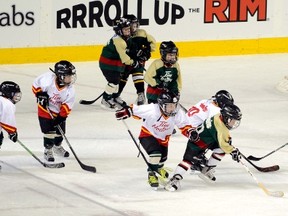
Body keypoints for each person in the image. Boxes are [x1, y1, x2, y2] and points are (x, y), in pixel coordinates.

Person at [115, 92, 194, 190]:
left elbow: (184, 125)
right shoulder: (152, 109)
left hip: (164, 138)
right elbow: (134, 110)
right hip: (147, 135)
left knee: (162, 159)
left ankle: (158, 168)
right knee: (155, 154)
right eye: (169, 106)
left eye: (174, 105)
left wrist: (190, 133)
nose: (172, 108)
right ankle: (151, 174)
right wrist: (125, 112)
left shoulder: (177, 113)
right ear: (161, 105)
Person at [165, 103, 242, 192]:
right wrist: (233, 151)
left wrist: (229, 146)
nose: (233, 123)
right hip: (196, 144)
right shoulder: (221, 127)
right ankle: (175, 180)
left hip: (208, 140)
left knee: (220, 150)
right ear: (225, 117)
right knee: (187, 161)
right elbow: (224, 144)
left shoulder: (218, 117)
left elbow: (222, 138)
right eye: (232, 120)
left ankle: (207, 169)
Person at [32, 60, 76, 162]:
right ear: (60, 76)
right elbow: (35, 85)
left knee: (60, 132)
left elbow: (67, 104)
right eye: (68, 75)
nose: (71, 78)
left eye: (71, 75)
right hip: (45, 110)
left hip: (58, 112)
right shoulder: (47, 79)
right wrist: (39, 94)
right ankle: (48, 150)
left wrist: (61, 117)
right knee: (49, 132)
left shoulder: (70, 89)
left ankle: (57, 147)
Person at [99, 17, 144, 110]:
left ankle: (114, 96)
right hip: (108, 64)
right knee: (114, 81)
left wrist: (138, 53)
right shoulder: (119, 41)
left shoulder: (125, 38)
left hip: (115, 63)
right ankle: (105, 99)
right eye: (125, 29)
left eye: (128, 29)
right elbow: (125, 59)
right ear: (119, 31)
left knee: (118, 80)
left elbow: (131, 48)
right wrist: (134, 63)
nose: (128, 31)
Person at [186, 90, 234, 175]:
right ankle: (197, 160)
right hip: (194, 131)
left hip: (187, 126)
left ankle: (198, 156)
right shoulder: (216, 111)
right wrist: (227, 142)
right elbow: (217, 127)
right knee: (219, 144)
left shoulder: (205, 101)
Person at [115, 14, 156, 105]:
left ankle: (141, 94)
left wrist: (146, 52)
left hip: (138, 61)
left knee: (138, 75)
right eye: (132, 25)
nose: (135, 27)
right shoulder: (122, 35)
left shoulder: (142, 33)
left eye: (136, 25)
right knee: (123, 77)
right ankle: (117, 94)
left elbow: (152, 45)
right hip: (126, 62)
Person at [0, 81, 22, 169]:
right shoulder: (7, 104)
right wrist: (12, 132)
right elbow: (7, 121)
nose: (17, 96)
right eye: (15, 94)